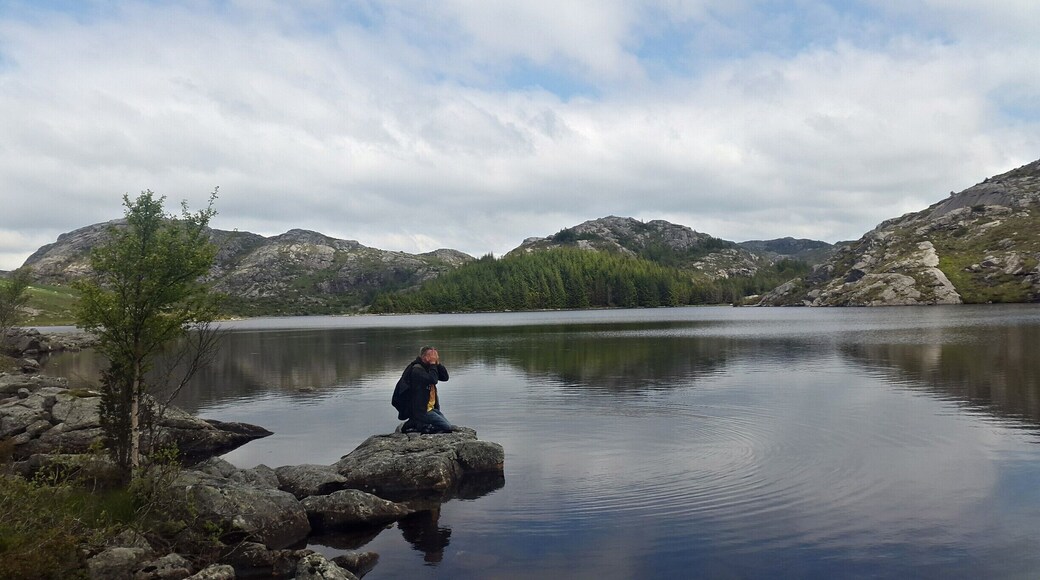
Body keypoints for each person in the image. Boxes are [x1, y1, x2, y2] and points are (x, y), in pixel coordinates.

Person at [395, 345, 454, 433]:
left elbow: (445, 377)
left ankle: (417, 422)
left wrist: (437, 364)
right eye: (431, 356)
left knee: (447, 426)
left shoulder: (428, 367)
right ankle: (414, 423)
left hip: (431, 408)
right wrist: (433, 364)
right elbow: (433, 380)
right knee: (447, 427)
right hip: (421, 410)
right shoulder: (416, 370)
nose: (434, 358)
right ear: (424, 357)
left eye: (435, 356)